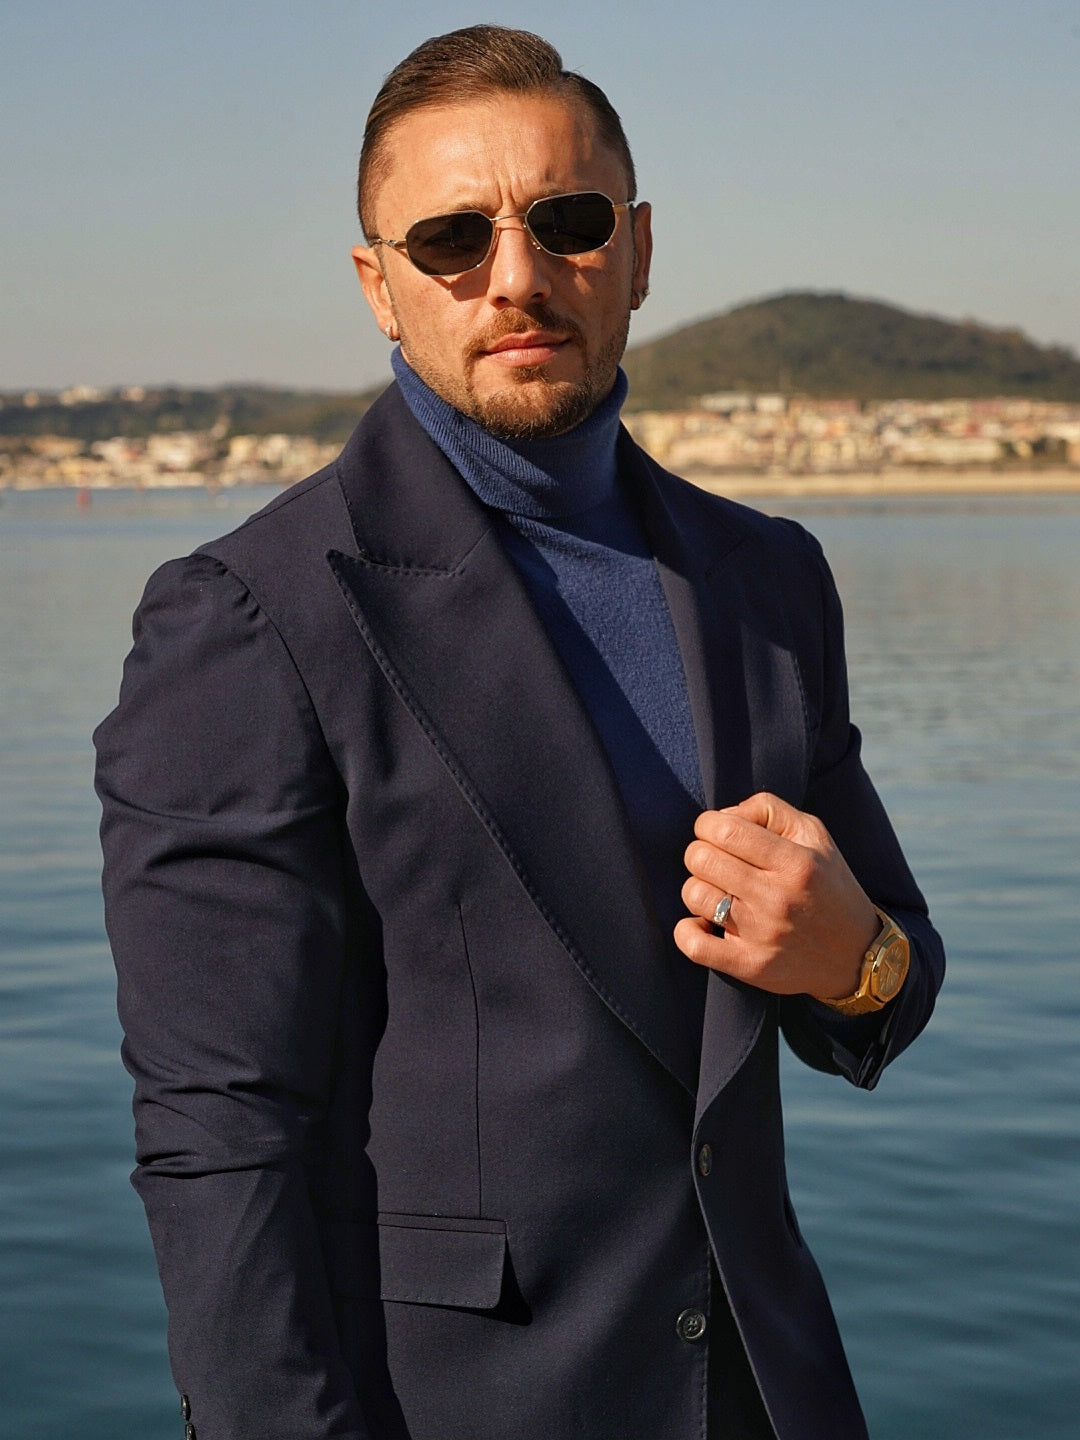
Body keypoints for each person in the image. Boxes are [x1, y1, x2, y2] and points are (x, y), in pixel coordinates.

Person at [95, 25, 945, 1440]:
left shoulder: (770, 578)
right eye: (450, 238)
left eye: (567, 221)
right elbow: (222, 1139)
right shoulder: (250, 617)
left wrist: (852, 961)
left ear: (639, 248)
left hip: (772, 1394)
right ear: (377, 284)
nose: (517, 276)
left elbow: (890, 980)